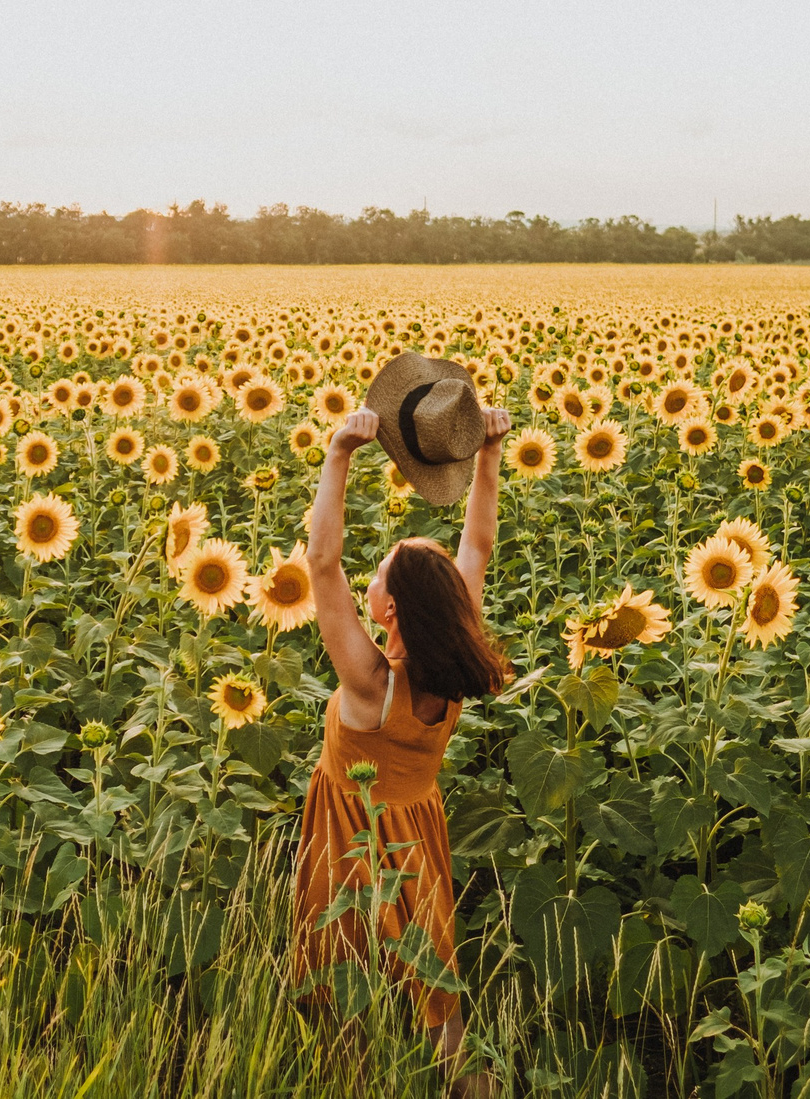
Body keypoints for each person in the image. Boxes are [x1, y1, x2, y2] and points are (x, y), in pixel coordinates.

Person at [291, 352, 513, 1091]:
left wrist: (337, 456)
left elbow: (321, 560)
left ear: (388, 608)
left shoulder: (369, 682)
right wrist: (490, 454)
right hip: (417, 833)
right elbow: (475, 545)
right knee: (435, 992)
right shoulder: (450, 660)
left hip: (349, 833)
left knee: (341, 981)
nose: (367, 576)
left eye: (380, 572)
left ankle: (352, 1080)